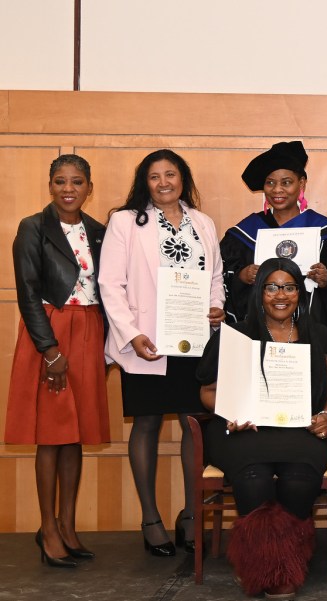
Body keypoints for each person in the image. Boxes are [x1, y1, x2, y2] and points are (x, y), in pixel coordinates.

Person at [197, 258, 327, 599]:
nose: (280, 295)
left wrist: (326, 417)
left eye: (289, 287)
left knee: (299, 478)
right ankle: (259, 564)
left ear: (299, 292)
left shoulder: (317, 336)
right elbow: (207, 392)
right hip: (244, 430)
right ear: (259, 292)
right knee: (253, 478)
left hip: (300, 431)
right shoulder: (236, 336)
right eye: (271, 286)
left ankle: (284, 563)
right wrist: (231, 410)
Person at [99, 149, 225, 556]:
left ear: (183, 179)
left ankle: (190, 515)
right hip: (147, 341)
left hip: (193, 340)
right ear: (145, 182)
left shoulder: (202, 222)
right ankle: (150, 517)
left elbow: (216, 277)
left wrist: (216, 309)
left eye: (171, 174)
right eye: (155, 177)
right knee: (148, 423)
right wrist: (130, 333)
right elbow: (110, 284)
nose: (164, 182)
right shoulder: (125, 221)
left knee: (194, 424)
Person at [7, 154, 107, 567]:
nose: (69, 189)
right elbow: (28, 291)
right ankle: (47, 528)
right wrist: (50, 351)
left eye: (78, 181)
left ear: (88, 187)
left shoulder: (99, 231)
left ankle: (67, 525)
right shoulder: (33, 228)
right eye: (61, 181)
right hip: (50, 334)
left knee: (76, 432)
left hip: (89, 330)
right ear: (50, 185)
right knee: (51, 433)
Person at [221, 141, 327, 325]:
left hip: (309, 329)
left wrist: (326, 281)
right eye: (270, 183)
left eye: (286, 182)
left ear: (302, 183)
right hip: (259, 330)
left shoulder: (326, 231)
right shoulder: (244, 233)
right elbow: (221, 279)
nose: (277, 190)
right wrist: (242, 276)